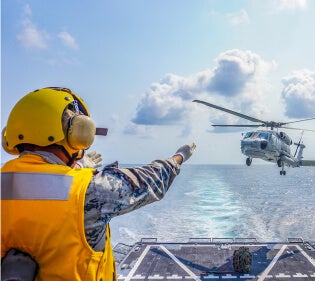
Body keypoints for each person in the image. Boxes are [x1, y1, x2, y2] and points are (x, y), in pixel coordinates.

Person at [1, 87, 195, 280]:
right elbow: (151, 180)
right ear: (76, 133)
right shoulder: (90, 190)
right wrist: (179, 157)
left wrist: (79, 167)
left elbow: (35, 189)